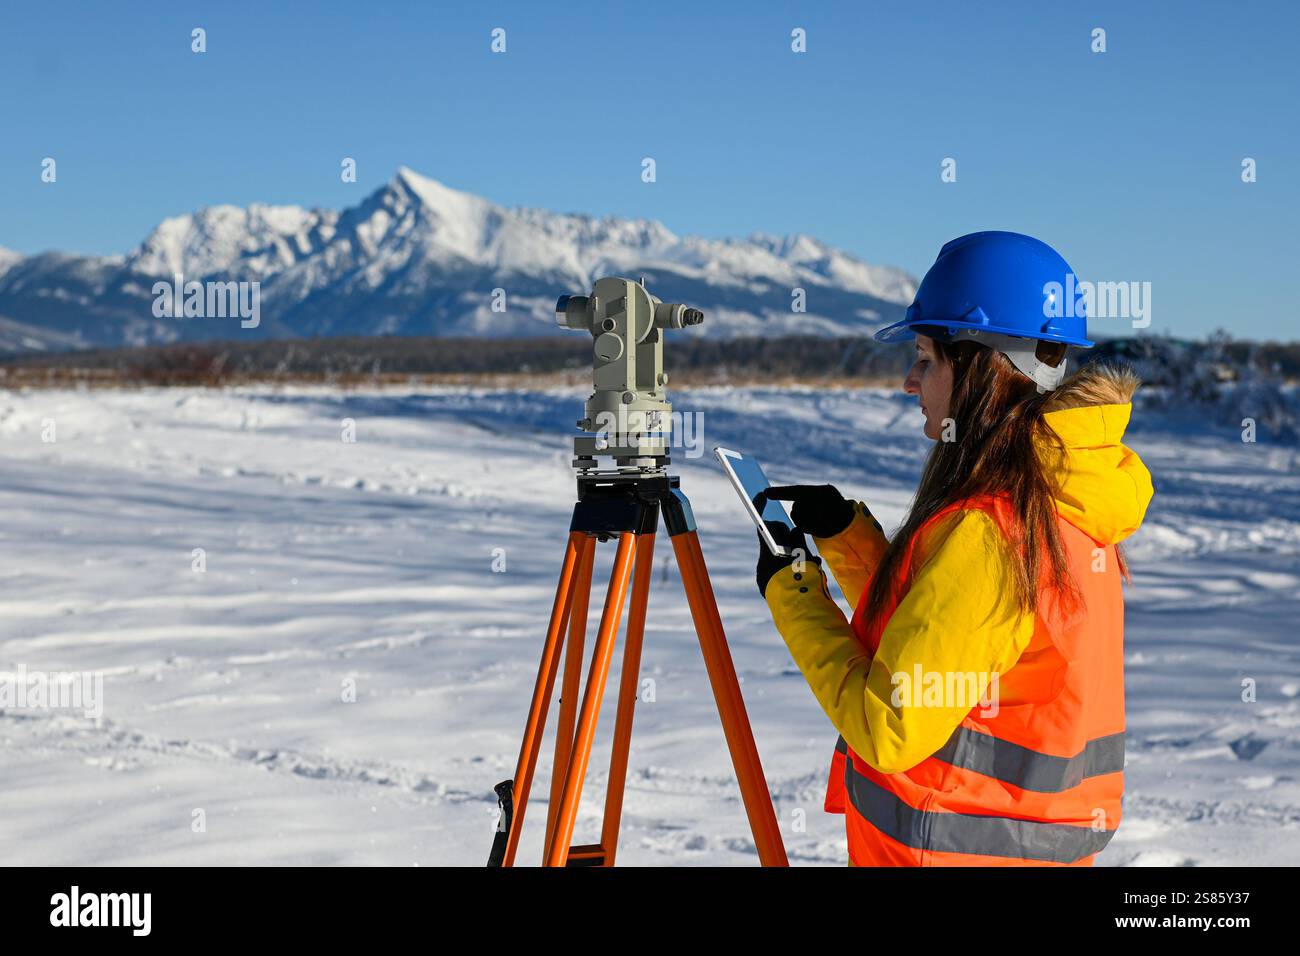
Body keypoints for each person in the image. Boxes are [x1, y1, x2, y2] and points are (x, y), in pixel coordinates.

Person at [757, 231, 1154, 866]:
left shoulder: (995, 530)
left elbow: (889, 728)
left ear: (983, 367)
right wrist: (845, 538)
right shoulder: (1060, 498)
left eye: (926, 358)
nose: (911, 381)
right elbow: (948, 639)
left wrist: (796, 596)